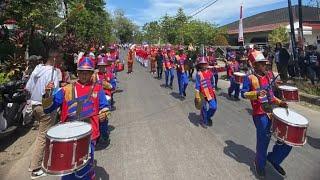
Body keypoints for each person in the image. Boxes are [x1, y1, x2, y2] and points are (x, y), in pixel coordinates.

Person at [43, 56, 110, 180]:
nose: (84, 75)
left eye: (87, 73)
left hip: (89, 135)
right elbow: (48, 108)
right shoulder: (66, 89)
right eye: (82, 72)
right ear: (77, 72)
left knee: (85, 168)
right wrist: (47, 94)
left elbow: (105, 107)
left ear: (91, 73)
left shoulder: (97, 88)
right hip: (68, 135)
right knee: (68, 170)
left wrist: (104, 113)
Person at [241, 52, 291, 178]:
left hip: (272, 111)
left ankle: (274, 159)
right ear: (255, 65)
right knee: (264, 140)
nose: (265, 65)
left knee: (287, 138)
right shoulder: (250, 77)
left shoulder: (269, 76)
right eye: (262, 63)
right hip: (260, 114)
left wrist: (280, 102)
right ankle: (260, 164)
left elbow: (272, 96)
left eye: (265, 63)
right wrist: (256, 94)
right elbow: (243, 93)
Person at [26, 49, 60, 179]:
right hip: (44, 106)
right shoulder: (53, 72)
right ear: (55, 58)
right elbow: (54, 93)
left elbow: (28, 87)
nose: (62, 61)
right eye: (60, 58)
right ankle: (35, 168)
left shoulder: (37, 70)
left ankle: (47, 158)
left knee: (44, 133)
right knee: (43, 136)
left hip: (34, 105)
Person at [194, 57, 217, 126]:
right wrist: (197, 95)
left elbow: (212, 83)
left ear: (207, 64)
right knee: (203, 108)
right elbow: (197, 85)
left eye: (205, 64)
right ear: (200, 65)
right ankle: (204, 120)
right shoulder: (198, 74)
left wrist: (213, 89)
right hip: (202, 94)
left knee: (213, 107)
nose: (203, 65)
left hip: (210, 93)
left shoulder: (210, 73)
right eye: (202, 64)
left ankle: (207, 116)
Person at [95, 56, 113, 143]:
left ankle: (104, 135)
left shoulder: (109, 73)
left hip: (107, 97)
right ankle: (97, 135)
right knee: (96, 117)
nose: (102, 68)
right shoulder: (94, 75)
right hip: (96, 98)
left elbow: (112, 86)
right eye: (100, 66)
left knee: (104, 118)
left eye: (103, 66)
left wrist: (108, 85)